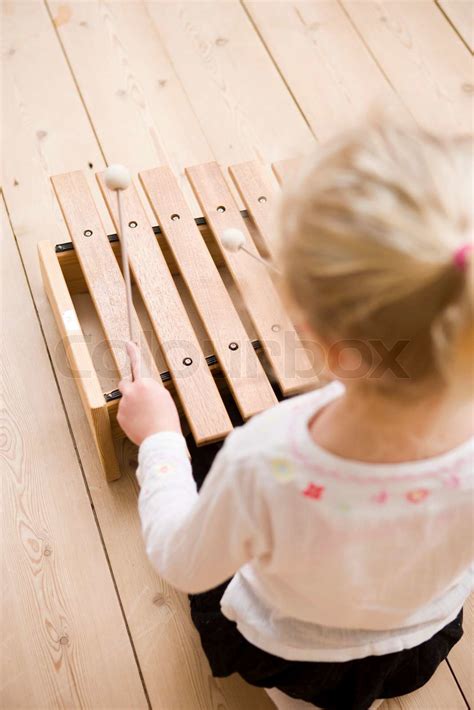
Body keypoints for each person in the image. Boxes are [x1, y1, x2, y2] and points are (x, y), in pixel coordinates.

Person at [117, 120, 473, 710]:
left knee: (200, 459)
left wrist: (159, 438)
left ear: (310, 330)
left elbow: (183, 561)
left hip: (296, 653)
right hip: (420, 636)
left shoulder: (265, 458)